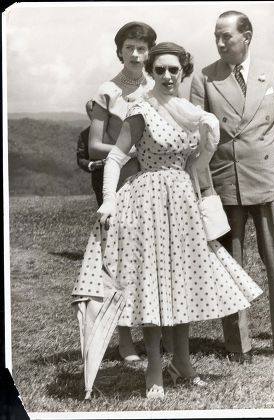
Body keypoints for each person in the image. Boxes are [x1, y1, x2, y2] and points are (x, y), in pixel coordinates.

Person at [72, 42, 262, 399]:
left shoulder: (191, 112)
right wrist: (109, 200)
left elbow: (195, 164)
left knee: (181, 284)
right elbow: (114, 158)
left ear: (183, 71)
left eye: (174, 69)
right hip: (146, 201)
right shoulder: (141, 110)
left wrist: (205, 145)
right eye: (159, 70)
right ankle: (155, 369)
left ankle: (183, 364)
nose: (167, 76)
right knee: (153, 287)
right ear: (152, 72)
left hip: (182, 200)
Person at [190, 11, 274, 363]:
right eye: (216, 37)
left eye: (227, 36)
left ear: (247, 36)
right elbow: (197, 139)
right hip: (226, 182)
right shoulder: (204, 79)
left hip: (270, 181)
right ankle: (237, 345)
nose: (221, 43)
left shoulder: (272, 73)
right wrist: (201, 187)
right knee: (230, 266)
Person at [74, 21, 157, 364]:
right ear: (119, 51)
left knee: (152, 258)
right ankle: (124, 339)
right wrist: (132, 151)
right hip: (115, 181)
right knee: (119, 260)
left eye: (142, 48)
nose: (136, 54)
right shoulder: (107, 90)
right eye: (129, 48)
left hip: (152, 182)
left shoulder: (158, 84)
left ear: (149, 51)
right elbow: (94, 146)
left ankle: (155, 333)